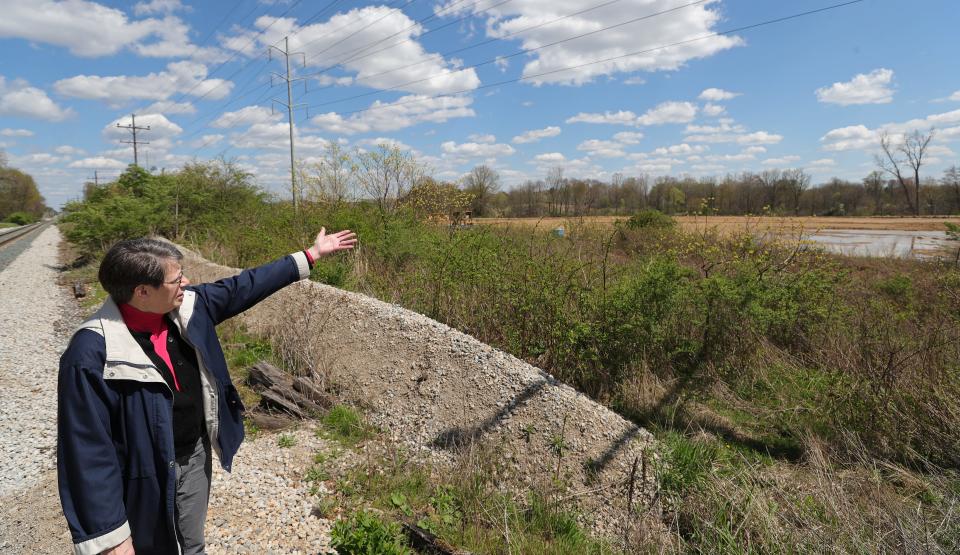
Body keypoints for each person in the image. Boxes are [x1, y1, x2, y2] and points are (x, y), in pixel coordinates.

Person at [57, 228, 357, 555]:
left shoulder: (186, 308)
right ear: (142, 292)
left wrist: (311, 254)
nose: (185, 283)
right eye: (176, 279)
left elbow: (244, 286)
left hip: (194, 453)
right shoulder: (91, 353)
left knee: (192, 543)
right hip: (141, 474)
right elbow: (86, 450)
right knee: (151, 546)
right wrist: (110, 536)